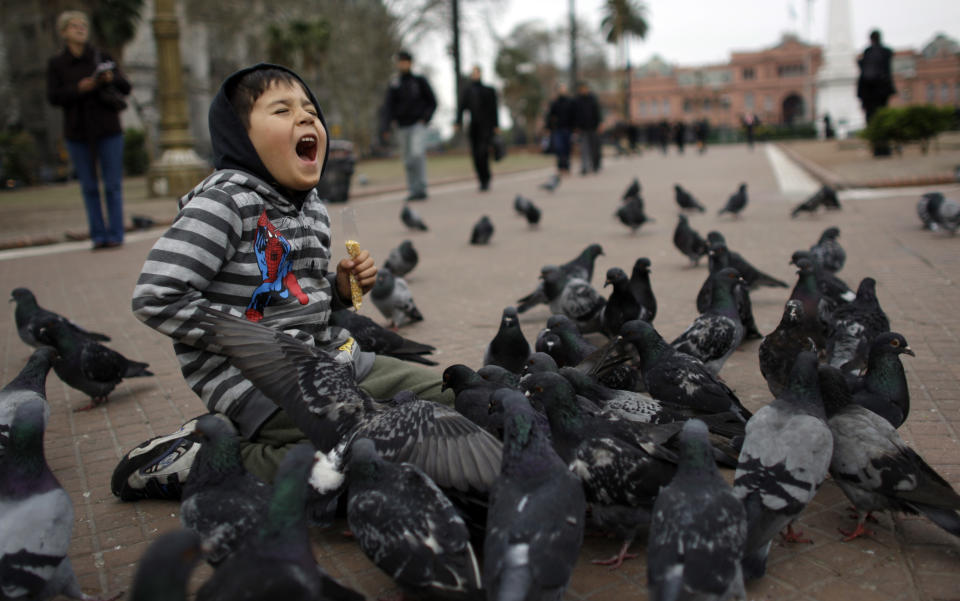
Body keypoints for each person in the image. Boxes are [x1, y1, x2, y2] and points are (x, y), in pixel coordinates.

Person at [110, 64, 453, 500]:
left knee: (461, 400)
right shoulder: (224, 202)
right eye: (282, 109)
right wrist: (253, 342)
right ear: (240, 136)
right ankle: (206, 456)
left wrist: (341, 289)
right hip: (261, 386)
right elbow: (157, 296)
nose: (307, 117)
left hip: (336, 364)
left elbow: (300, 300)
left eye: (310, 109)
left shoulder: (312, 208)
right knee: (358, 463)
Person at [47, 10, 131, 250]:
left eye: (83, 25)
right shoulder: (57, 64)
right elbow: (53, 97)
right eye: (74, 26)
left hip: (108, 128)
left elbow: (125, 87)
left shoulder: (101, 56)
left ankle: (116, 234)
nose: (80, 29)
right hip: (78, 131)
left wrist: (109, 79)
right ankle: (98, 235)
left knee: (113, 185)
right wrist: (79, 88)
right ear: (64, 32)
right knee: (89, 186)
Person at [381, 50, 437, 201]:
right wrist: (385, 127)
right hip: (402, 126)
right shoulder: (395, 83)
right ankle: (413, 190)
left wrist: (425, 118)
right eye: (400, 61)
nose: (402, 64)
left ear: (410, 63)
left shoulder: (419, 81)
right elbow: (388, 107)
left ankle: (421, 188)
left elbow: (432, 102)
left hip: (417, 124)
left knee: (417, 154)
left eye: (405, 61)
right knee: (407, 159)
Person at [455, 65, 499, 191]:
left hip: (486, 127)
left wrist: (496, 125)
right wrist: (458, 122)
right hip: (474, 127)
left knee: (483, 152)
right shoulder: (467, 91)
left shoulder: (488, 90)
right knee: (475, 154)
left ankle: (486, 178)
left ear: (480, 73)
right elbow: (461, 108)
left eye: (477, 72)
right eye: (473, 73)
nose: (475, 75)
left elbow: (494, 109)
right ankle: (481, 178)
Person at [857, 30, 896, 156]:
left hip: (869, 94)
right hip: (882, 91)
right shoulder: (886, 52)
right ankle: (885, 147)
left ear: (870, 39)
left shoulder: (867, 53)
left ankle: (877, 148)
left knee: (872, 120)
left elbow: (863, 74)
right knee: (883, 118)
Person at [545, 82, 576, 176]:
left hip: (568, 129)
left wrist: (574, 128)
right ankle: (560, 167)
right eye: (560, 89)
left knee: (567, 149)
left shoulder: (570, 102)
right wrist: (548, 128)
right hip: (558, 129)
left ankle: (566, 167)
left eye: (563, 88)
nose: (562, 90)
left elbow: (574, 116)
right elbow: (550, 116)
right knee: (559, 148)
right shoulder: (555, 103)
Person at [573, 81, 602, 174]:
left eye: (585, 88)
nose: (583, 90)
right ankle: (584, 167)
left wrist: (599, 124)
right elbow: (575, 114)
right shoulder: (577, 100)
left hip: (593, 127)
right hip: (582, 128)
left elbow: (598, 112)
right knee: (584, 148)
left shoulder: (593, 98)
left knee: (594, 148)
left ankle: (595, 165)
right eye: (582, 89)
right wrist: (576, 126)